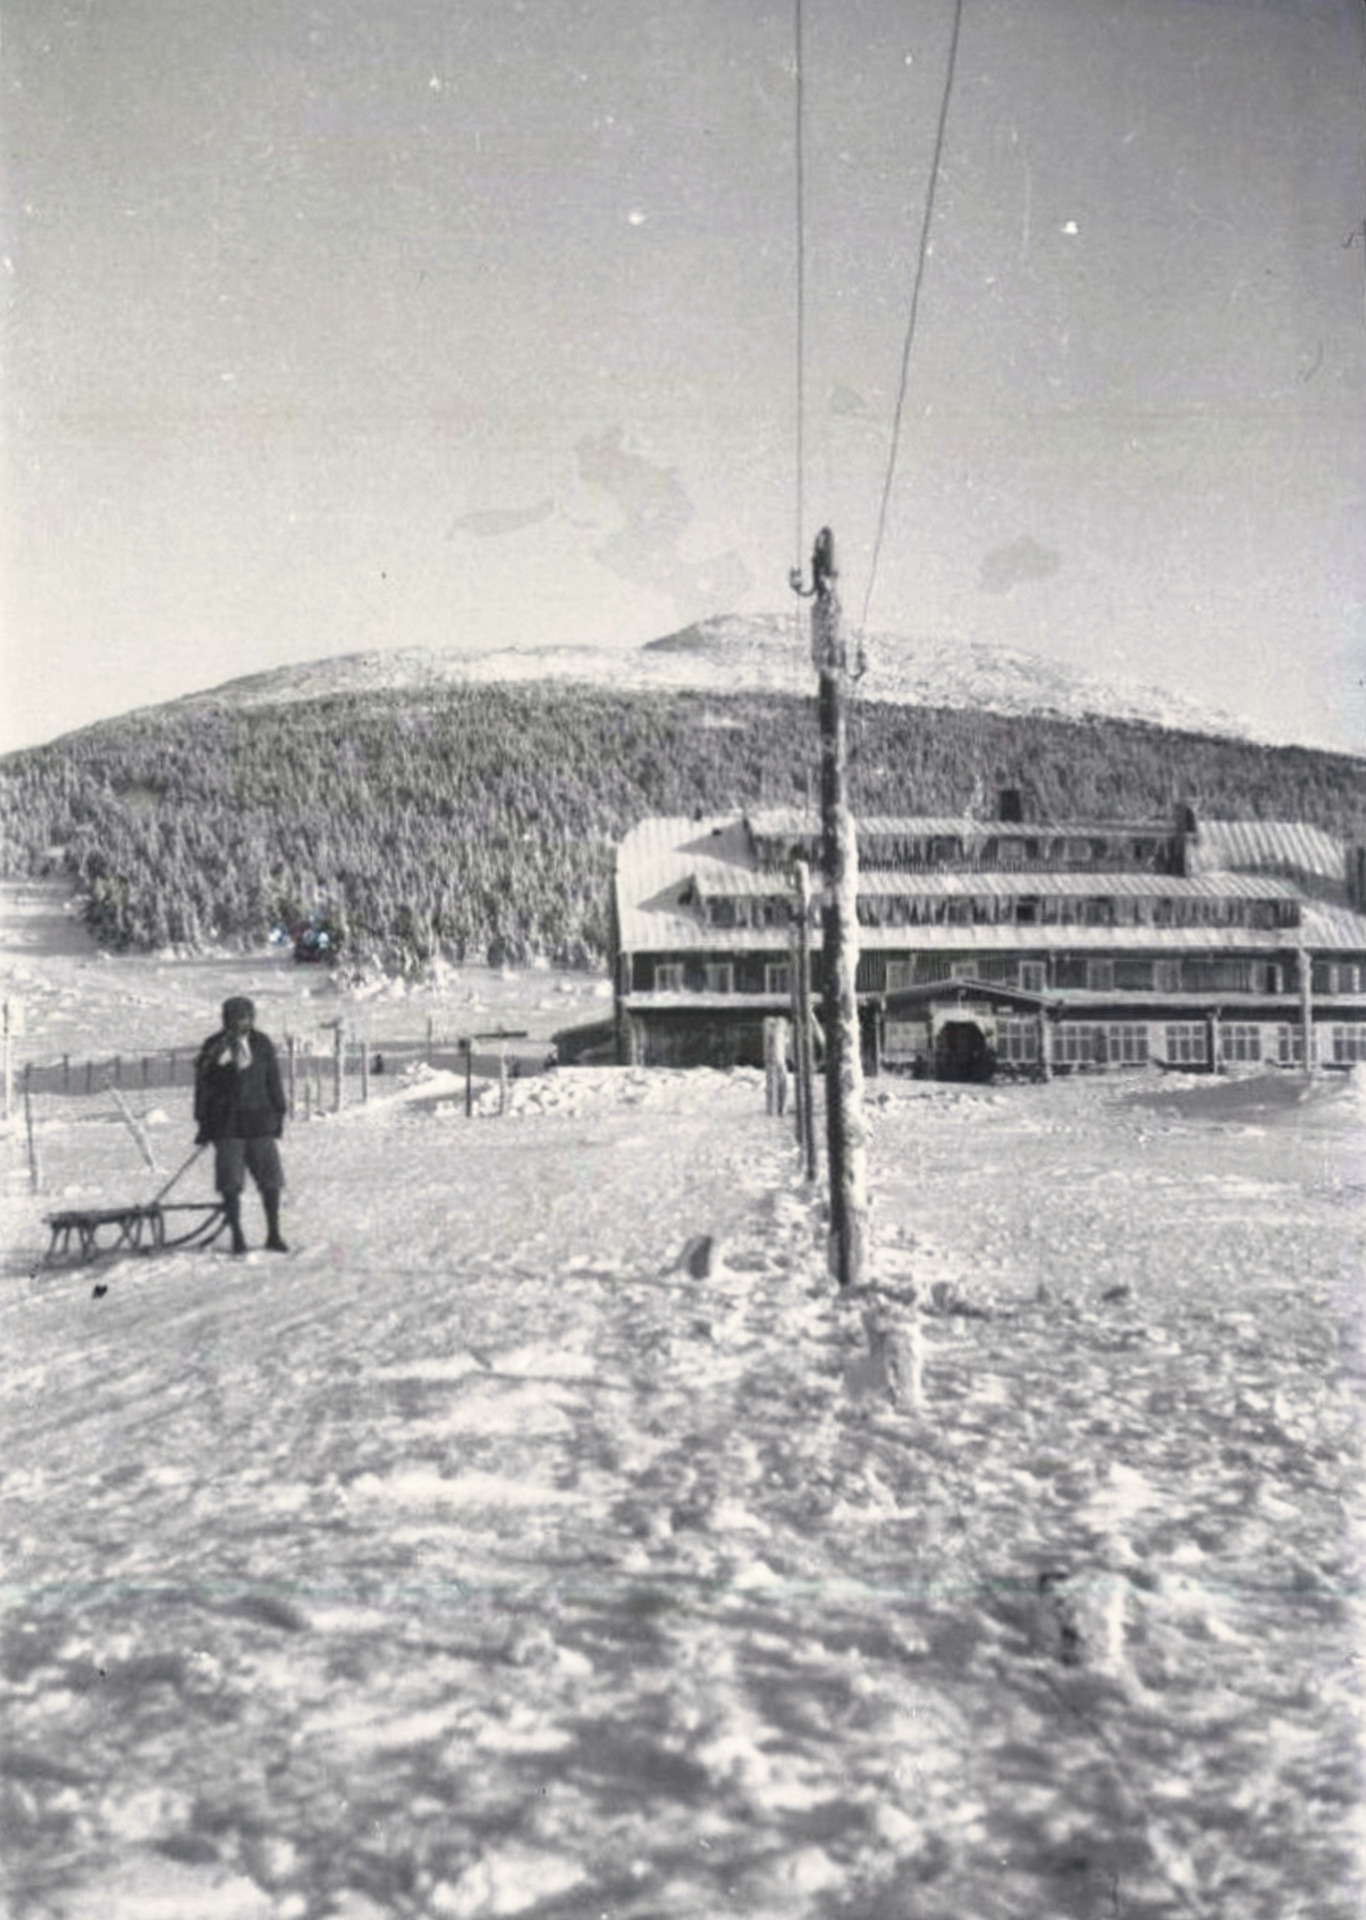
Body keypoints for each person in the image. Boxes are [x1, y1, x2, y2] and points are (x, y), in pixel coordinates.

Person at [194, 996, 288, 1255]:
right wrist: (203, 1124)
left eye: (244, 1017)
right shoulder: (214, 1046)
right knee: (230, 1183)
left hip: (260, 1122)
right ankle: (238, 1237)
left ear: (251, 1018)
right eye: (233, 1017)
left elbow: (273, 1081)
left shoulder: (262, 1044)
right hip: (227, 1125)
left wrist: (279, 1114)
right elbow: (202, 1088)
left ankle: (274, 1234)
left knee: (271, 1181)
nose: (239, 1022)